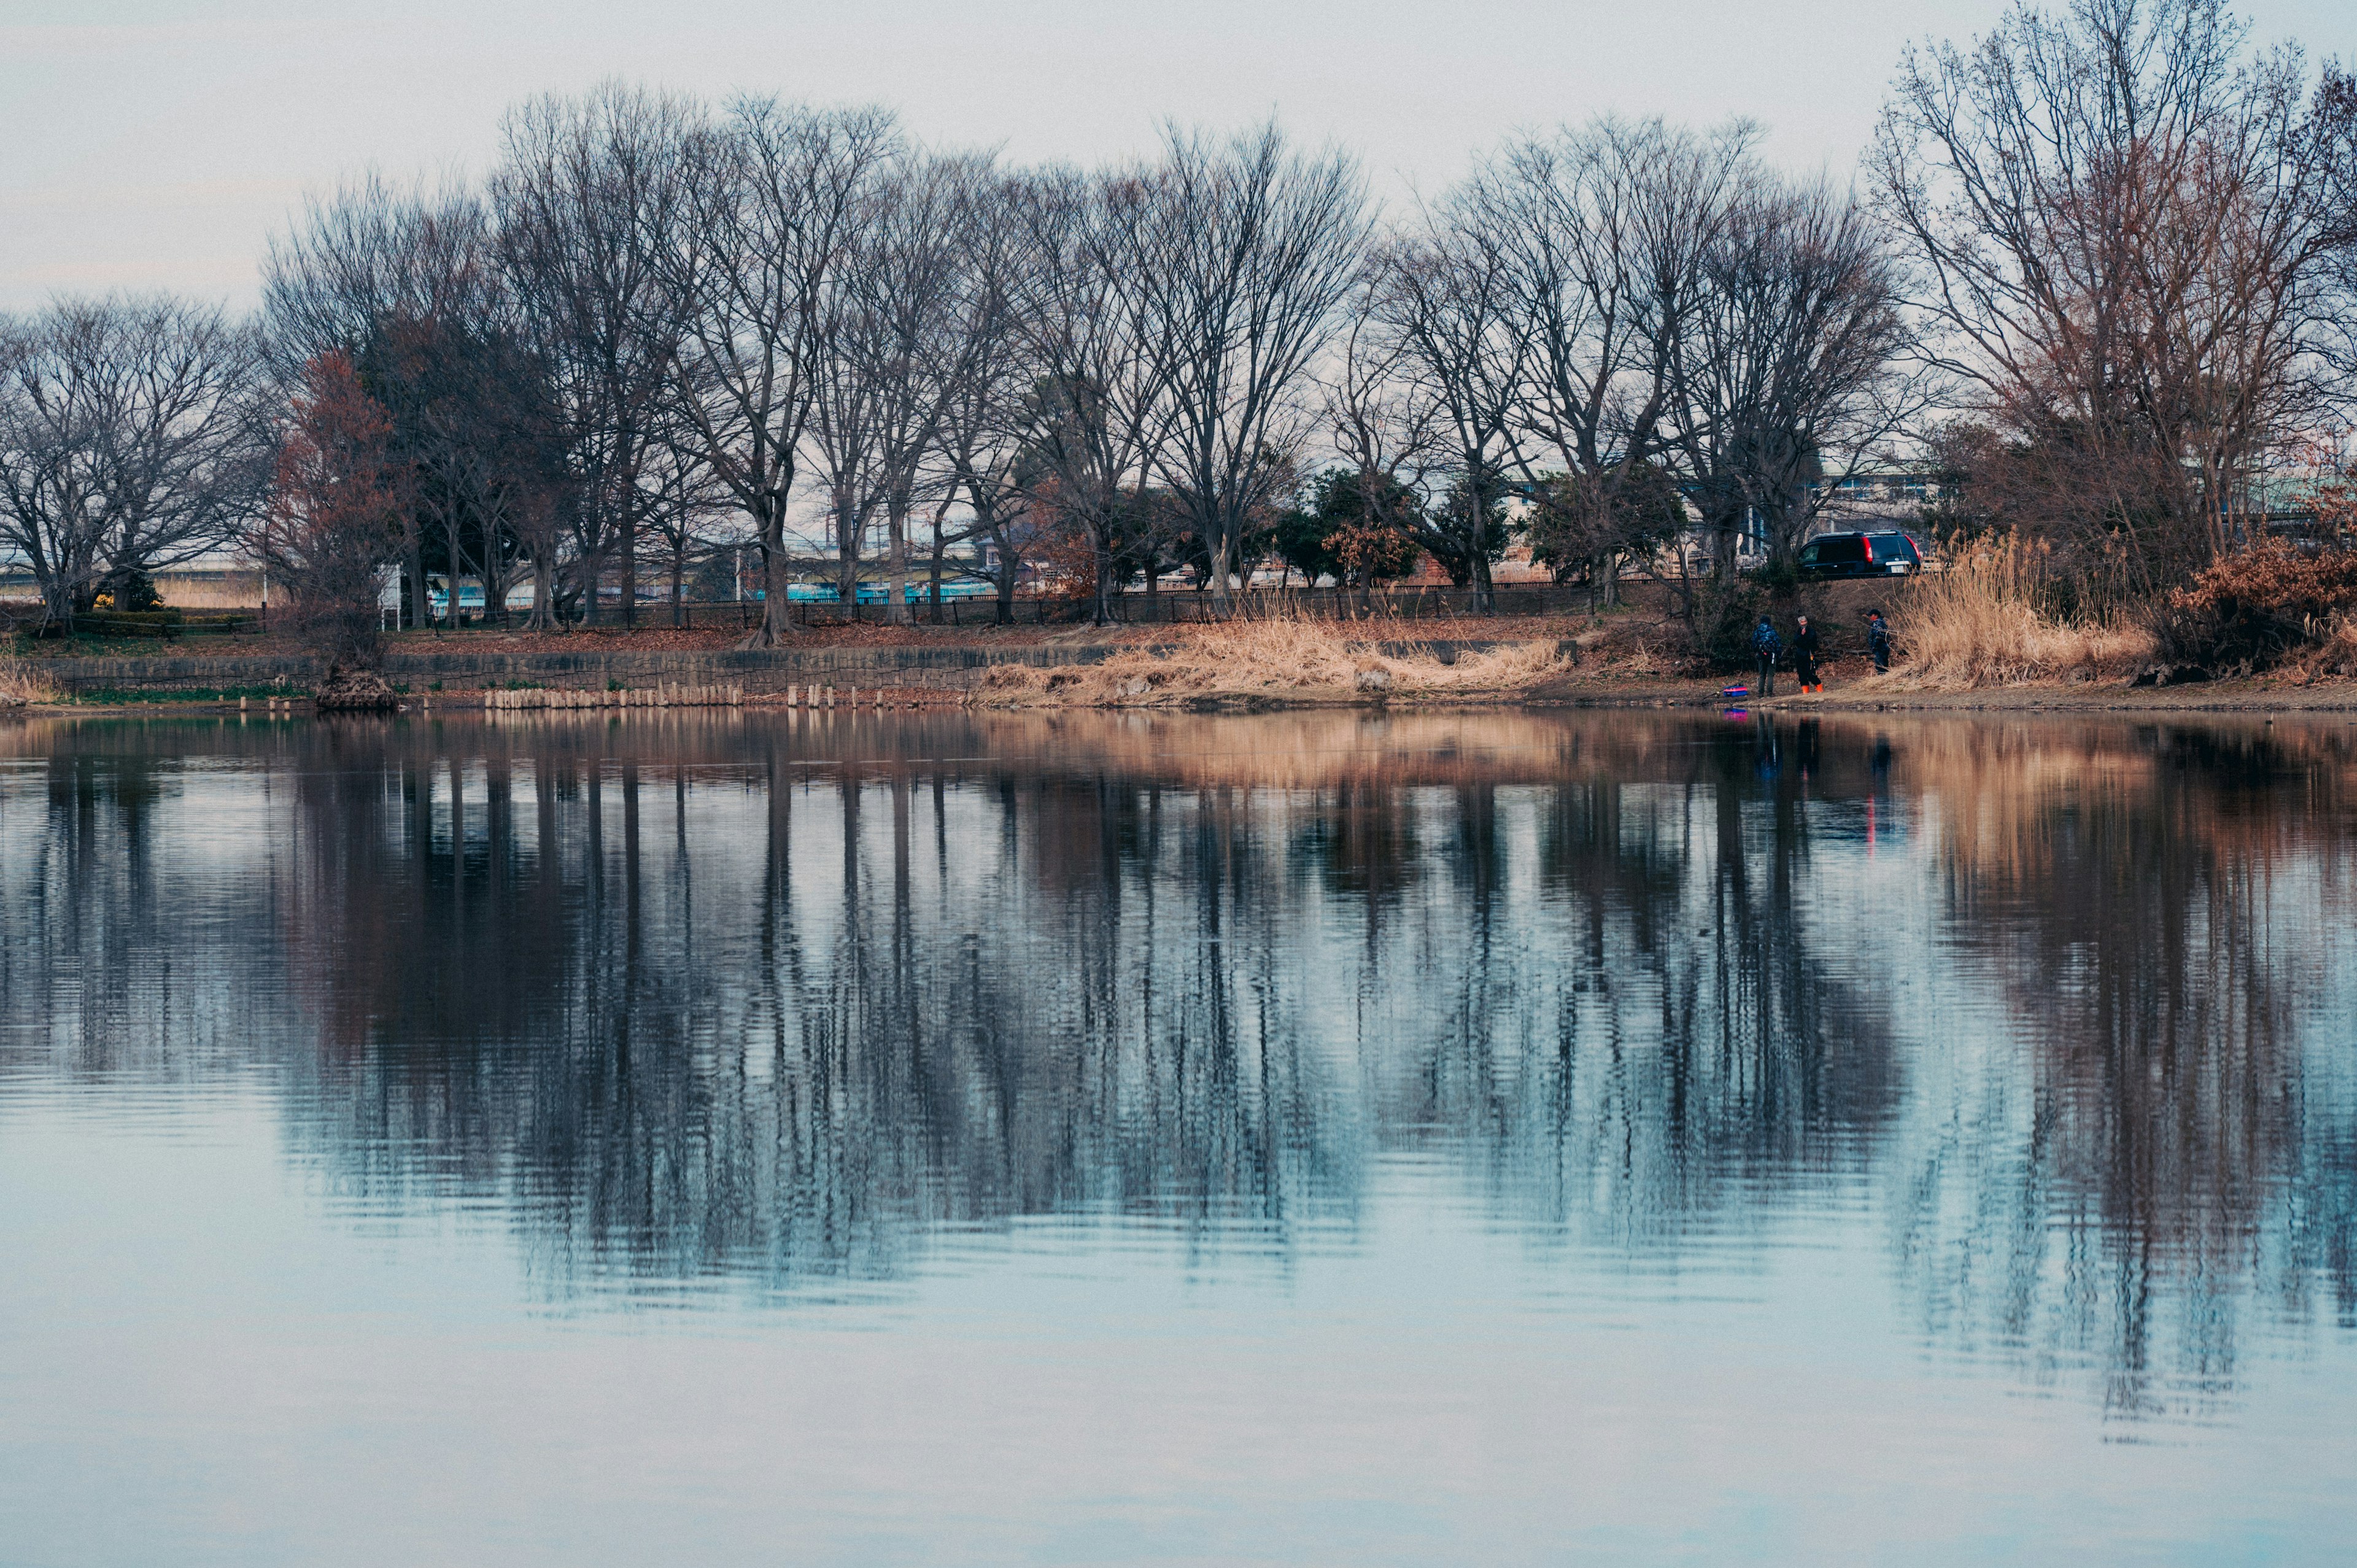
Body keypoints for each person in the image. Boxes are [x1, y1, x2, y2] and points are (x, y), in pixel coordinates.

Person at [1752, 615, 1782, 698]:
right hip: (1771, 655)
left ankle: (1760, 694)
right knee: (1770, 675)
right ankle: (1769, 693)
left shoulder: (1757, 631)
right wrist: (1778, 654)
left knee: (1762, 675)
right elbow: (1778, 644)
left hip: (1761, 655)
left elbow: (1754, 643)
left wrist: (1757, 652)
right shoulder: (1772, 631)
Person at [1792, 614, 1821, 693]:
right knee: (1801, 674)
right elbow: (1795, 641)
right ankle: (1805, 691)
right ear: (1799, 623)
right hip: (1800, 655)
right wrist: (1801, 635)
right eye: (1802, 622)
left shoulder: (1811, 631)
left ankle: (1819, 687)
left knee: (1810, 673)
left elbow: (1812, 642)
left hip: (1809, 654)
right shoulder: (1798, 632)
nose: (1804, 623)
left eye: (1805, 621)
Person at [1865, 608, 1891, 673]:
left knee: (1880, 667)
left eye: (1871, 615)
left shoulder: (1878, 623)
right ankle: (1885, 678)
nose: (1870, 617)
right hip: (1883, 648)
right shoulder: (1882, 622)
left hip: (1879, 649)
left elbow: (1878, 636)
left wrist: (1874, 647)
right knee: (1884, 666)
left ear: (1876, 615)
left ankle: (1883, 679)